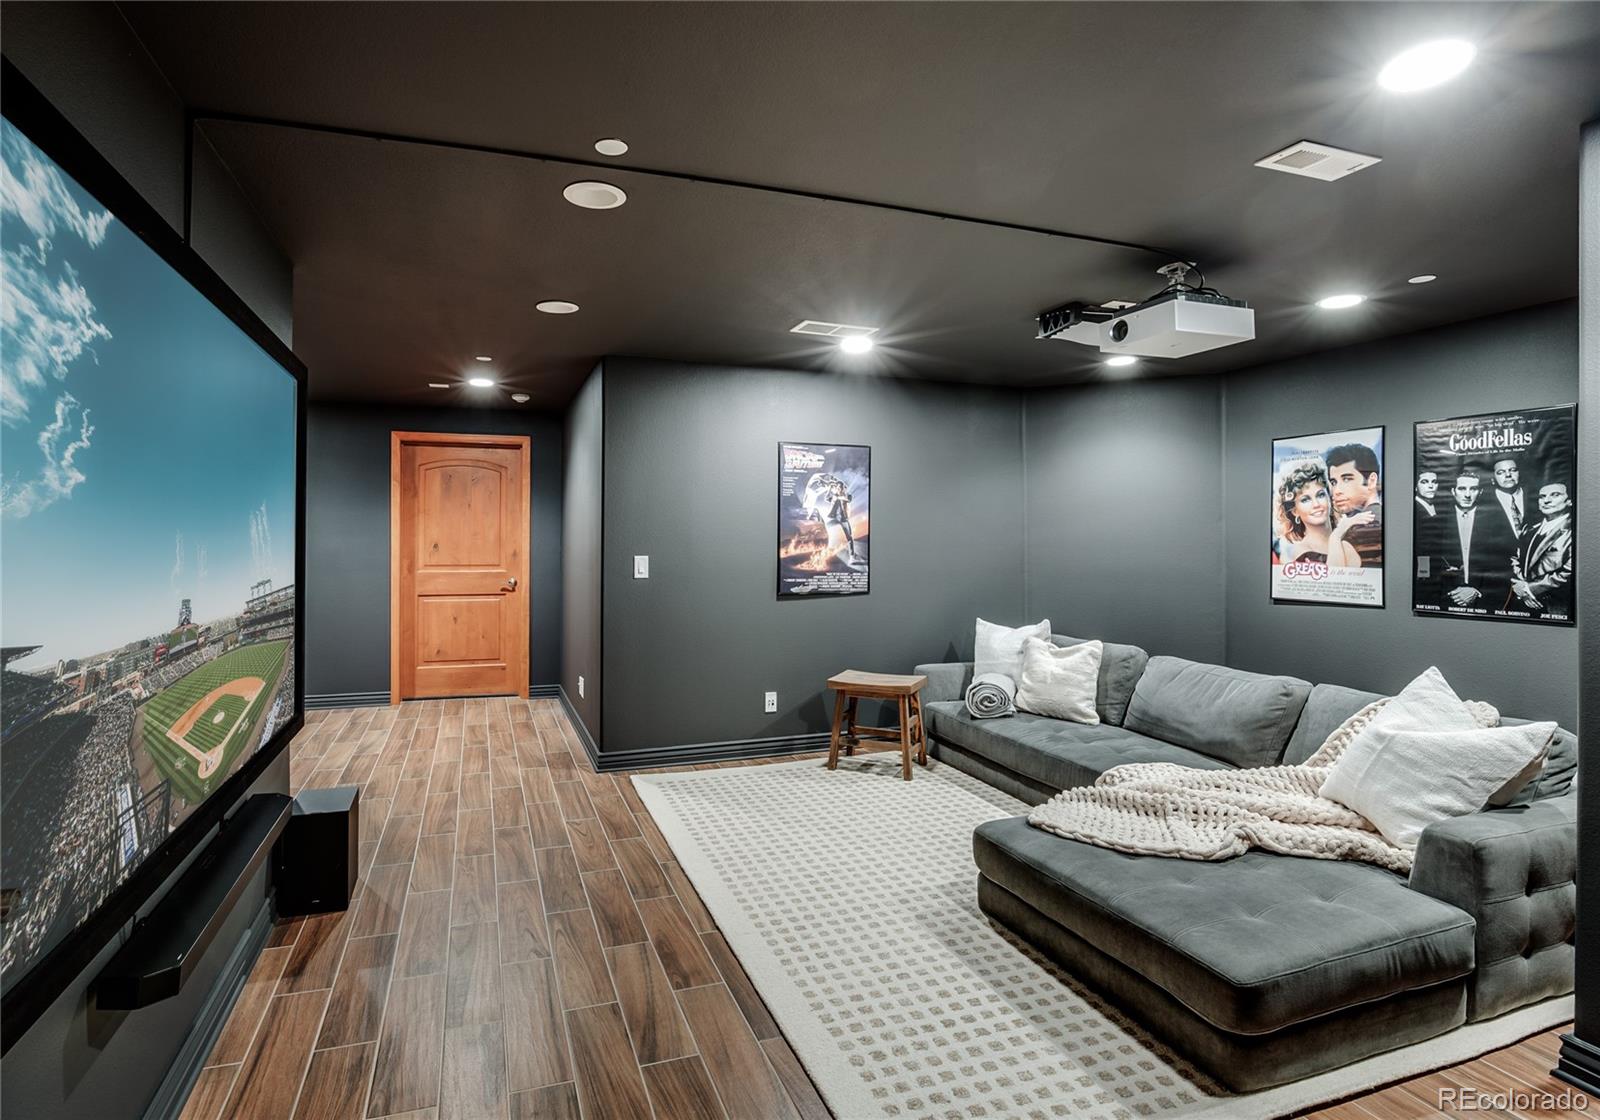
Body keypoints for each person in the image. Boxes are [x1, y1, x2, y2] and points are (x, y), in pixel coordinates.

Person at [1432, 470, 1515, 611]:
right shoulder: (1437, 522)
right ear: (1453, 491)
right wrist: (1456, 592)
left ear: (1480, 492)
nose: (1468, 495)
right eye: (1462, 488)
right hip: (1447, 597)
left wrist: (1476, 590)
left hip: (1486, 599)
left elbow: (1504, 564)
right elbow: (1429, 564)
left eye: (1473, 489)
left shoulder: (1496, 522)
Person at [1274, 459, 1369, 568]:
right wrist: (1336, 536)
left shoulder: (1351, 539)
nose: (1316, 504)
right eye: (1305, 500)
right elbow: (1334, 580)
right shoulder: (1297, 553)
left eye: (1320, 495)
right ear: (1295, 511)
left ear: (1329, 497)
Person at [1509, 481, 1574, 619]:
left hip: (1556, 609)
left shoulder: (1575, 530)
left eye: (1555, 495)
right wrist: (1520, 585)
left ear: (1569, 501)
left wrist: (1530, 589)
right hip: (1521, 605)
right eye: (1542, 496)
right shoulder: (1529, 530)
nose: (1546, 500)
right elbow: (1515, 558)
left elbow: (1571, 571)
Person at [1324, 442, 1383, 567]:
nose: (1337, 491)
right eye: (1334, 482)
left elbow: (1334, 579)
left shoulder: (1360, 526)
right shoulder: (1383, 516)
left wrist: (1336, 534)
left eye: (1347, 479)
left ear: (1371, 481)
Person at [1489, 456, 1528, 538]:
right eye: (1500, 472)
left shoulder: (1535, 497)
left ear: (1519, 474)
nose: (1508, 475)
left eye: (1513, 470)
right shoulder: (1485, 502)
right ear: (1493, 479)